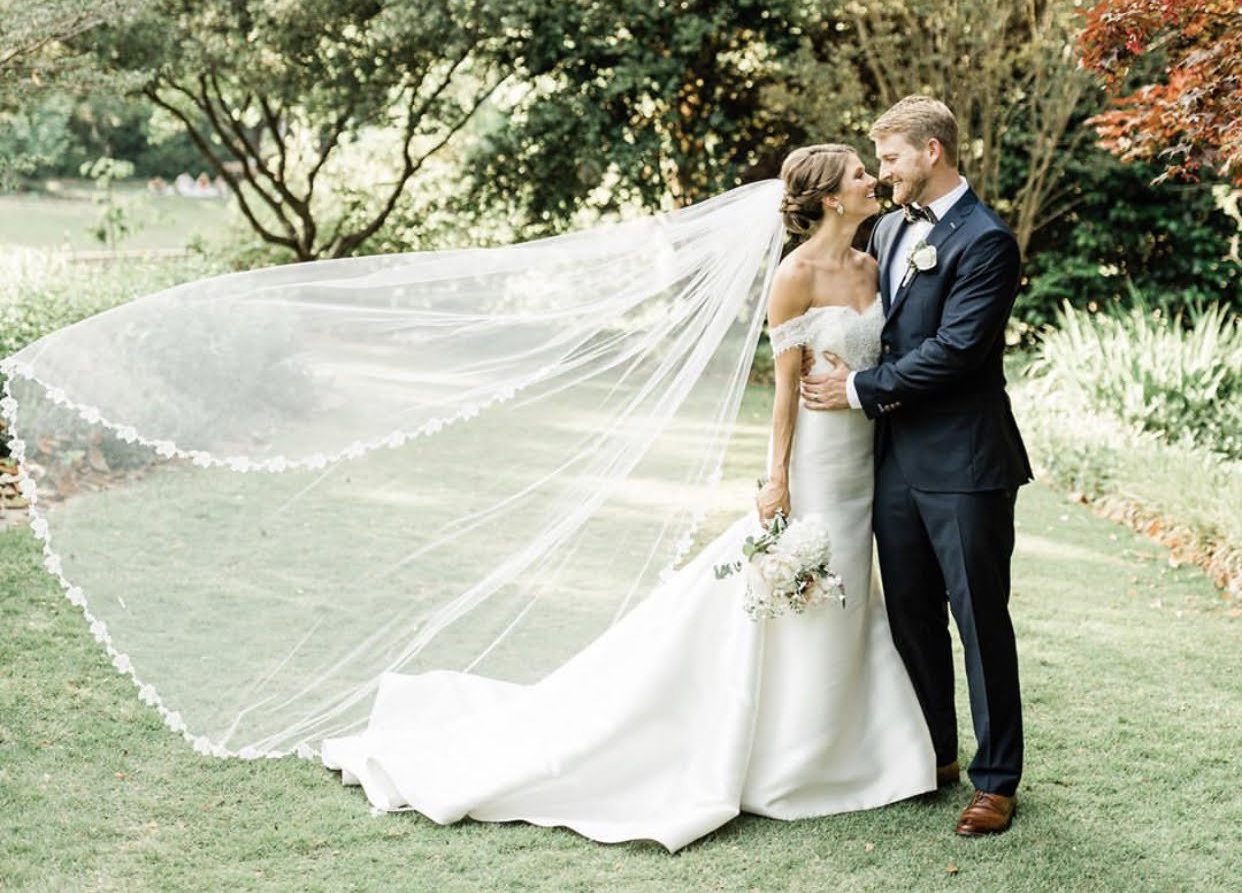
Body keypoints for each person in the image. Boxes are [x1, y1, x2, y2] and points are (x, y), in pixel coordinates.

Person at [319, 144, 937, 849]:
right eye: (860, 173)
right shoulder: (794, 277)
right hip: (819, 461)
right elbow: (784, 390)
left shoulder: (874, 260)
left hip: (868, 459)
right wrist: (776, 478)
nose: (872, 180)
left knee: (851, 592)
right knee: (805, 591)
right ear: (830, 196)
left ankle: (847, 745)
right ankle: (793, 758)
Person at [801, 97, 1032, 836]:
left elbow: (959, 350)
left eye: (892, 156)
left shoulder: (988, 240)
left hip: (965, 460)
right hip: (893, 460)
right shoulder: (892, 228)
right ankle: (933, 751)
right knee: (910, 614)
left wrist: (860, 388)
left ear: (932, 151)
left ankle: (996, 780)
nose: (885, 171)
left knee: (978, 618)